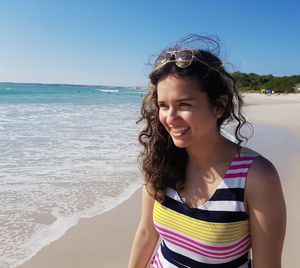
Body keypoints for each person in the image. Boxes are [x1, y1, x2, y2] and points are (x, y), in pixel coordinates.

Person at [128, 35, 286, 268]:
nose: (170, 118)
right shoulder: (161, 162)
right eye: (163, 106)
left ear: (219, 106)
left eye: (184, 104)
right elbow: (146, 234)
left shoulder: (256, 177)